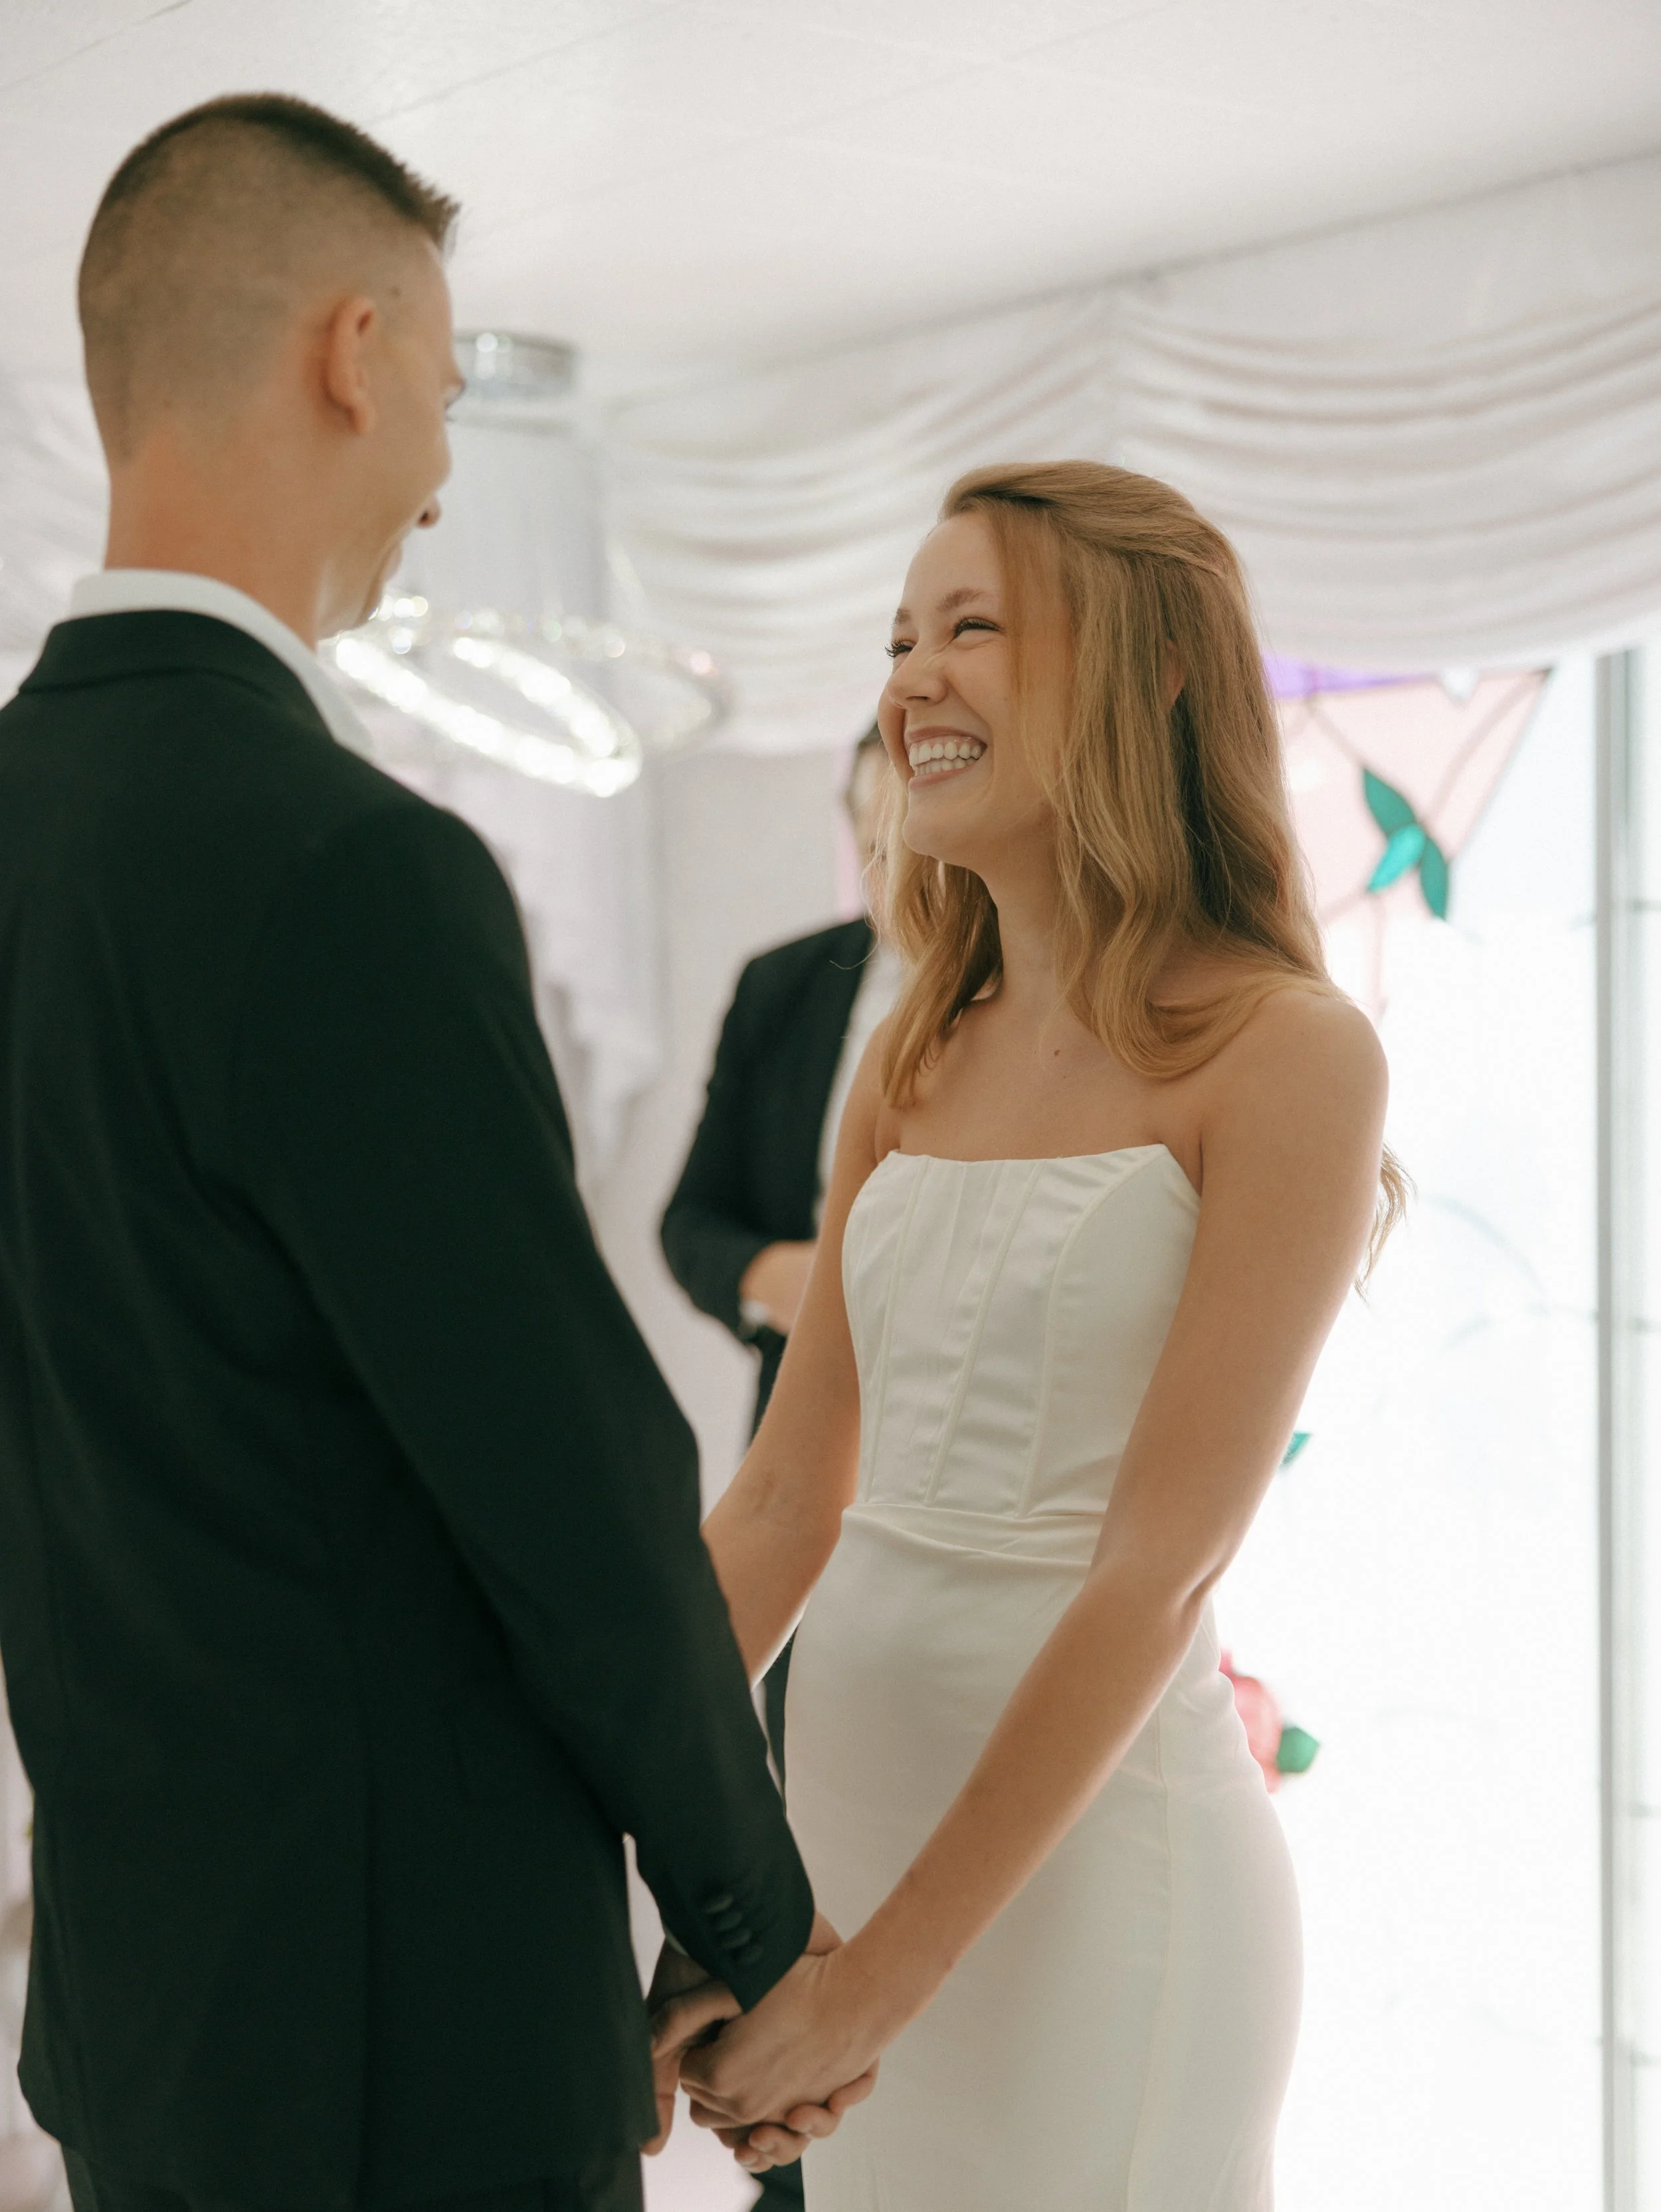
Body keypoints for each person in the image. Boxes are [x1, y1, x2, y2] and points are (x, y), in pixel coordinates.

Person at [0, 94, 861, 2212]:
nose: (447, 474)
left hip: (143, 2007)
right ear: (353, 349)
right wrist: (756, 1926)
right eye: (452, 392)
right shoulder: (348, 868)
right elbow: (566, 1488)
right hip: (404, 2029)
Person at [662, 460, 1399, 2205]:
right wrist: (607, 1813)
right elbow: (782, 1504)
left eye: (968, 628)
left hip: (1096, 1902)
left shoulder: (1288, 1055)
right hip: (837, 1838)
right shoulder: (908, 1055)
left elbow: (1150, 1571)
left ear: (1147, 669)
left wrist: (874, 1994)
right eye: (898, 636)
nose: (908, 678)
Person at [660, 730, 898, 1732]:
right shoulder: (784, 989)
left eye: (915, 826)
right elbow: (690, 1220)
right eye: (872, 829)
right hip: (799, 1451)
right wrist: (773, 1275)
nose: (896, 854)